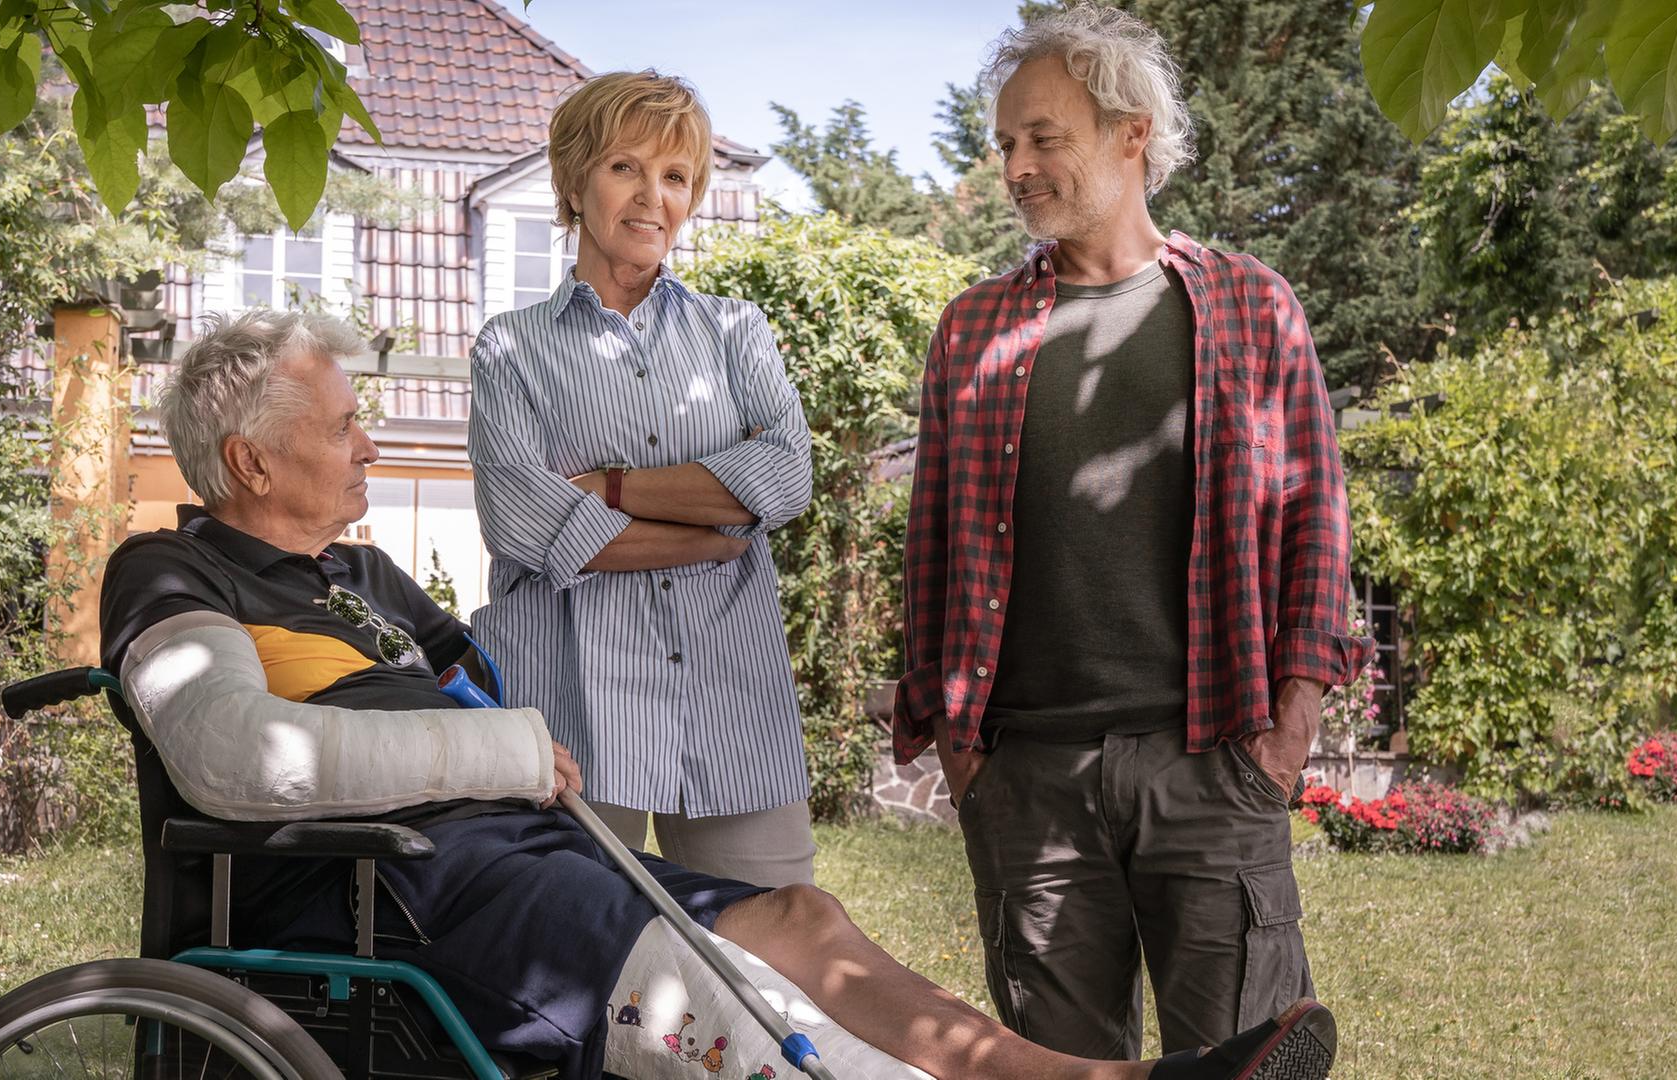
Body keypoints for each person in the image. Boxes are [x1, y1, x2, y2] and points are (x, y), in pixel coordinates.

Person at [99, 310, 1340, 1080]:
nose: (372, 441)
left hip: (504, 857)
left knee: (799, 919)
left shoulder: (359, 573)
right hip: (380, 896)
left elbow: (482, 692)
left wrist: (524, 740)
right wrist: (503, 757)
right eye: (345, 424)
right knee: (737, 1015)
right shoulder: (170, 567)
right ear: (252, 458)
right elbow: (237, 757)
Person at [893, 3, 1372, 1062]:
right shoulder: (974, 326)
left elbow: (1316, 528)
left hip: (1213, 761)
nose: (1016, 165)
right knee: (1058, 1069)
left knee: (1244, 1056)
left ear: (1130, 135)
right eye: (1006, 142)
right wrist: (963, 749)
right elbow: (930, 542)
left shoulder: (1254, 306)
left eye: (1043, 138)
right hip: (1029, 779)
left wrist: (1287, 731)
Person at [467, 70, 815, 889]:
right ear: (574, 181)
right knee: (575, 957)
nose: (652, 197)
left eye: (676, 176)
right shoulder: (509, 348)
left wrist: (609, 488)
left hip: (730, 692)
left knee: (777, 944)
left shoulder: (737, 331)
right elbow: (526, 525)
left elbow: (788, 474)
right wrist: (709, 533)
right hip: (570, 707)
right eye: (626, 167)